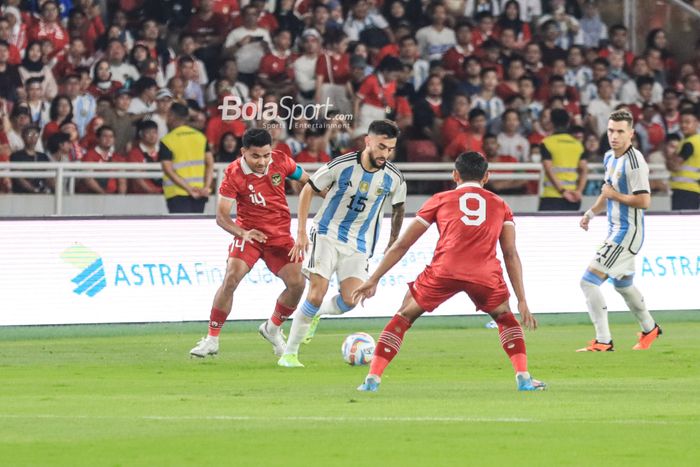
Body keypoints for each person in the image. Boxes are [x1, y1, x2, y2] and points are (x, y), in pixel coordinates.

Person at [352, 151, 545, 392]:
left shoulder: (440, 199)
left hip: (444, 271)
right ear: (487, 177)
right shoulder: (501, 205)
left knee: (404, 316)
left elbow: (403, 244)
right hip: (484, 274)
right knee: (505, 317)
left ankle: (373, 379)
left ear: (455, 175)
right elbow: (510, 253)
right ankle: (524, 378)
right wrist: (522, 300)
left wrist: (373, 279)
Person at [278, 120, 407, 368]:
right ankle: (289, 354)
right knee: (315, 293)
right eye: (381, 146)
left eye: (390, 149)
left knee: (351, 299)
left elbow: (399, 209)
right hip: (327, 233)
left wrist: (393, 241)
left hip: (359, 243)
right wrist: (302, 231)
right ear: (368, 141)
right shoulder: (343, 164)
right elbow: (309, 189)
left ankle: (317, 314)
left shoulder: (394, 178)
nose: (385, 154)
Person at [189, 128, 312, 358]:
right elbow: (222, 216)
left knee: (297, 284)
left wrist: (331, 195)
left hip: (280, 237)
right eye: (256, 156)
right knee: (231, 278)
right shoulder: (233, 173)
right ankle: (212, 339)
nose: (262, 161)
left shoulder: (281, 161)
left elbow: (308, 181)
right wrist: (241, 232)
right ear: (244, 152)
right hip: (250, 235)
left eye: (266, 155)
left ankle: (272, 328)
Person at [578, 109, 661, 352]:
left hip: (626, 233)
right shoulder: (608, 157)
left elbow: (644, 201)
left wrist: (614, 195)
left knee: (588, 282)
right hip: (615, 229)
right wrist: (591, 212)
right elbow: (607, 191)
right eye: (611, 130)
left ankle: (604, 341)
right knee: (623, 285)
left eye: (620, 131)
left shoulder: (635, 163)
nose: (614, 136)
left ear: (631, 134)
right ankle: (650, 328)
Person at [159, 103, 214, 213]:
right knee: (197, 229)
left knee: (180, 229)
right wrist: (206, 188)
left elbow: (168, 169)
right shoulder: (200, 137)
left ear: (171, 116)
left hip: (177, 193)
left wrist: (189, 189)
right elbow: (210, 163)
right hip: (200, 192)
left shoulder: (167, 140)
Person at [539, 108, 588, 211]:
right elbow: (584, 170)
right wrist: (579, 191)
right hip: (573, 197)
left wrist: (562, 191)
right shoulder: (578, 144)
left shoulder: (547, 143)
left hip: (551, 196)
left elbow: (548, 169)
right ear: (568, 122)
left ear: (551, 123)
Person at [667, 109, 700, 210]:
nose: (683, 125)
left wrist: (668, 157)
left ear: (697, 123)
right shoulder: (694, 140)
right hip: (692, 190)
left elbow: (675, 166)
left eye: (687, 122)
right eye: (681, 122)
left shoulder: (689, 143)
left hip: (684, 189)